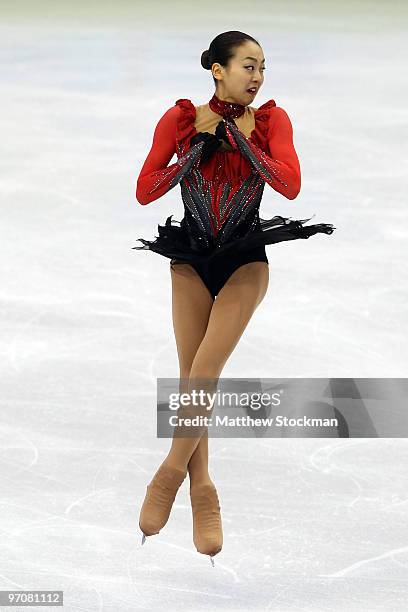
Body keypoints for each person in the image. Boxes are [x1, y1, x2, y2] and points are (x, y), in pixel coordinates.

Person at [133, 31, 335, 565]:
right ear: (218, 70)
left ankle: (170, 473)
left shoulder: (271, 121)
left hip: (245, 258)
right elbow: (146, 189)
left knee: (205, 370)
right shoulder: (179, 119)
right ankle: (204, 486)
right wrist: (196, 145)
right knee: (192, 372)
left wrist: (242, 139)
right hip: (190, 260)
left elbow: (289, 185)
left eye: (263, 67)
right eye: (248, 66)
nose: (258, 76)